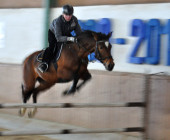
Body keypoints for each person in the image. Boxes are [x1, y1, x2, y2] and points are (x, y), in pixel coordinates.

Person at [38, 4, 82, 73]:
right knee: (53, 47)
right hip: (54, 34)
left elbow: (79, 33)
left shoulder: (74, 20)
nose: (68, 17)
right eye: (66, 15)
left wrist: (81, 39)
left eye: (70, 15)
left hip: (65, 33)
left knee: (74, 44)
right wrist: (70, 38)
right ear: (63, 14)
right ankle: (44, 63)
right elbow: (58, 38)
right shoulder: (58, 22)